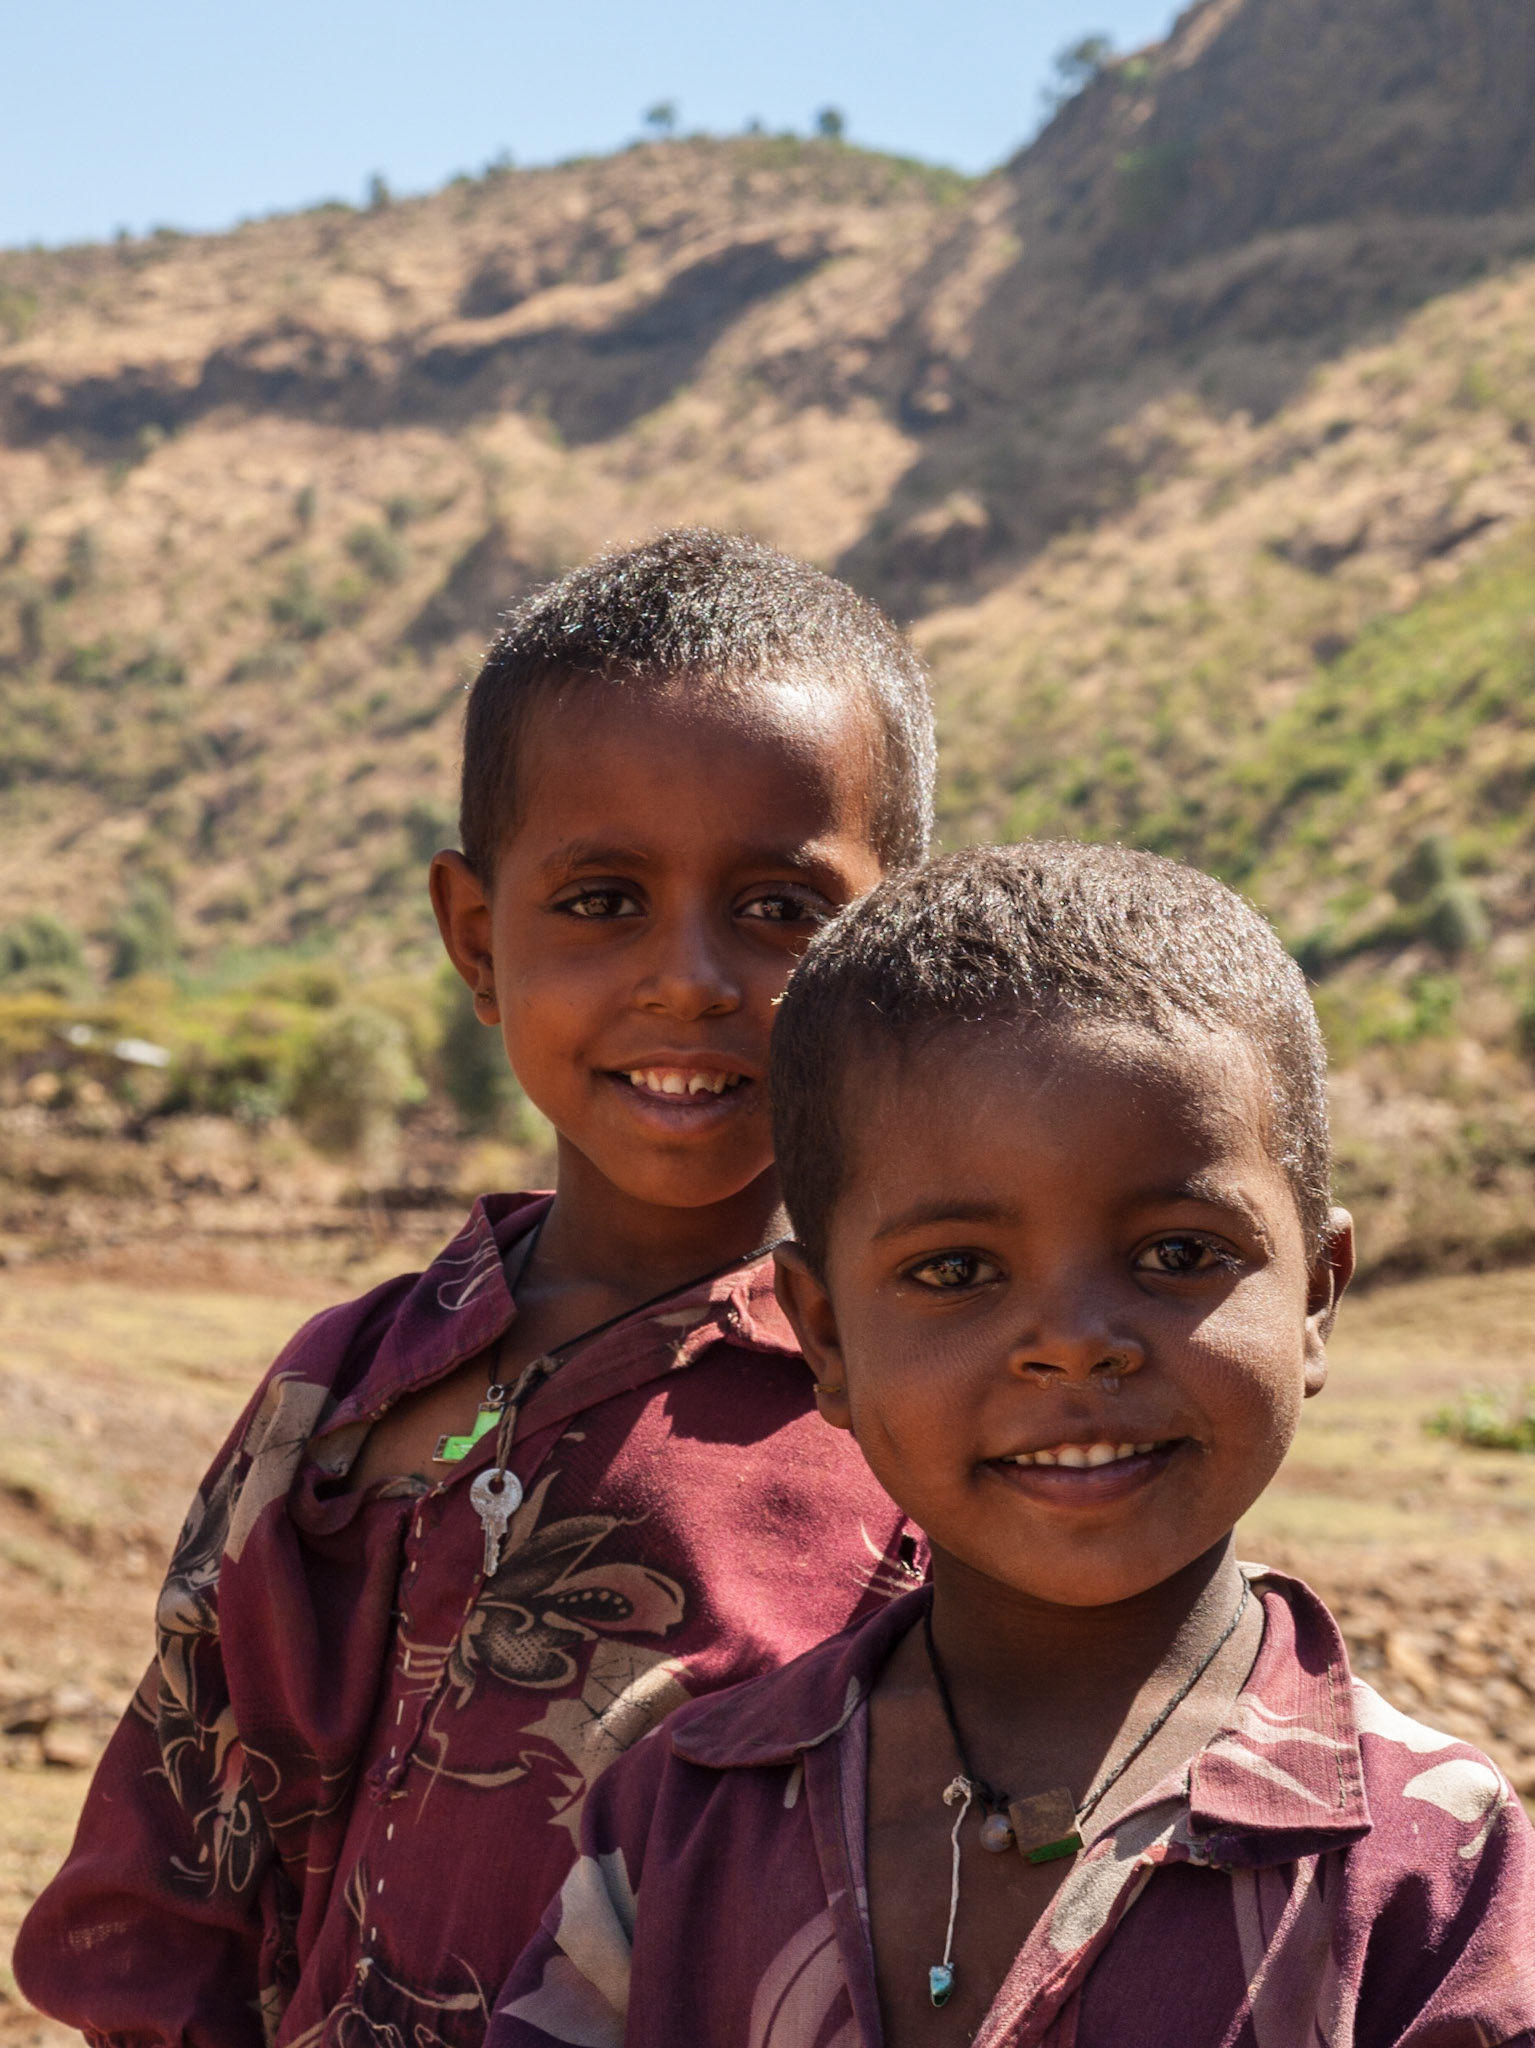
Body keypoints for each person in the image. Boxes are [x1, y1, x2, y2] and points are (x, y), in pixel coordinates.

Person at [15, 530, 937, 2048]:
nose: (690, 978)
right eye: (599, 900)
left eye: (782, 908)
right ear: (472, 935)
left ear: (894, 941)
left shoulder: (923, 1405)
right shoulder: (343, 1392)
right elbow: (159, 1903)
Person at [491, 841, 1535, 2048]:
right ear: (822, 1332)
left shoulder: (1433, 1864)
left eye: (1179, 1253)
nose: (1074, 1344)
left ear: (1314, 1293)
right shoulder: (682, 1817)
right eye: (955, 1270)